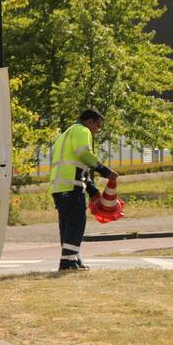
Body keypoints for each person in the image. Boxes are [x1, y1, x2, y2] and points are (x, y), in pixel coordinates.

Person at [48, 109, 118, 271]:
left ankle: (73, 258)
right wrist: (106, 172)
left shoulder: (65, 134)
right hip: (72, 186)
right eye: (97, 125)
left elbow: (76, 164)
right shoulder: (82, 131)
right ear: (89, 121)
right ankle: (67, 263)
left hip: (59, 187)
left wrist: (92, 190)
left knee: (67, 225)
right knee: (76, 224)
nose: (97, 130)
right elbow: (84, 155)